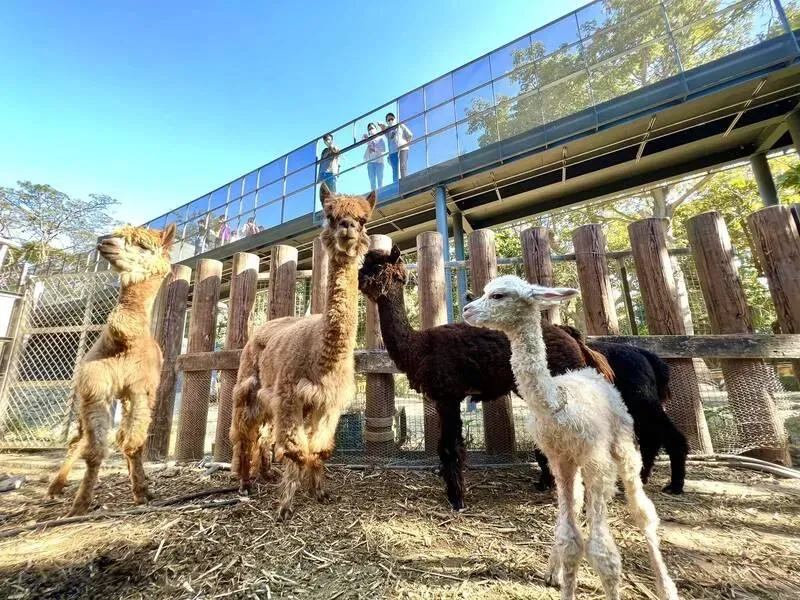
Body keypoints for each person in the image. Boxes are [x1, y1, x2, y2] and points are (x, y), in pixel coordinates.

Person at [383, 112, 413, 183]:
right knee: (395, 169)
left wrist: (405, 144)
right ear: (387, 122)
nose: (390, 120)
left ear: (394, 118)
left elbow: (410, 135)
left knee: (403, 166)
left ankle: (405, 182)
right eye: (388, 120)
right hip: (393, 151)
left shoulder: (400, 125)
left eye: (391, 119)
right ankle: (396, 184)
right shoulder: (388, 130)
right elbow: (388, 137)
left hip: (402, 149)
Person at [363, 123, 386, 191]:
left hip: (379, 162)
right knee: (372, 181)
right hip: (370, 163)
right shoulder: (369, 140)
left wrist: (375, 149)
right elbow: (363, 138)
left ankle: (381, 193)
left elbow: (384, 149)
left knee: (380, 180)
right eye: (369, 129)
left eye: (372, 128)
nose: (371, 130)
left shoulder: (380, 138)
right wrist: (366, 139)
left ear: (376, 129)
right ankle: (373, 195)